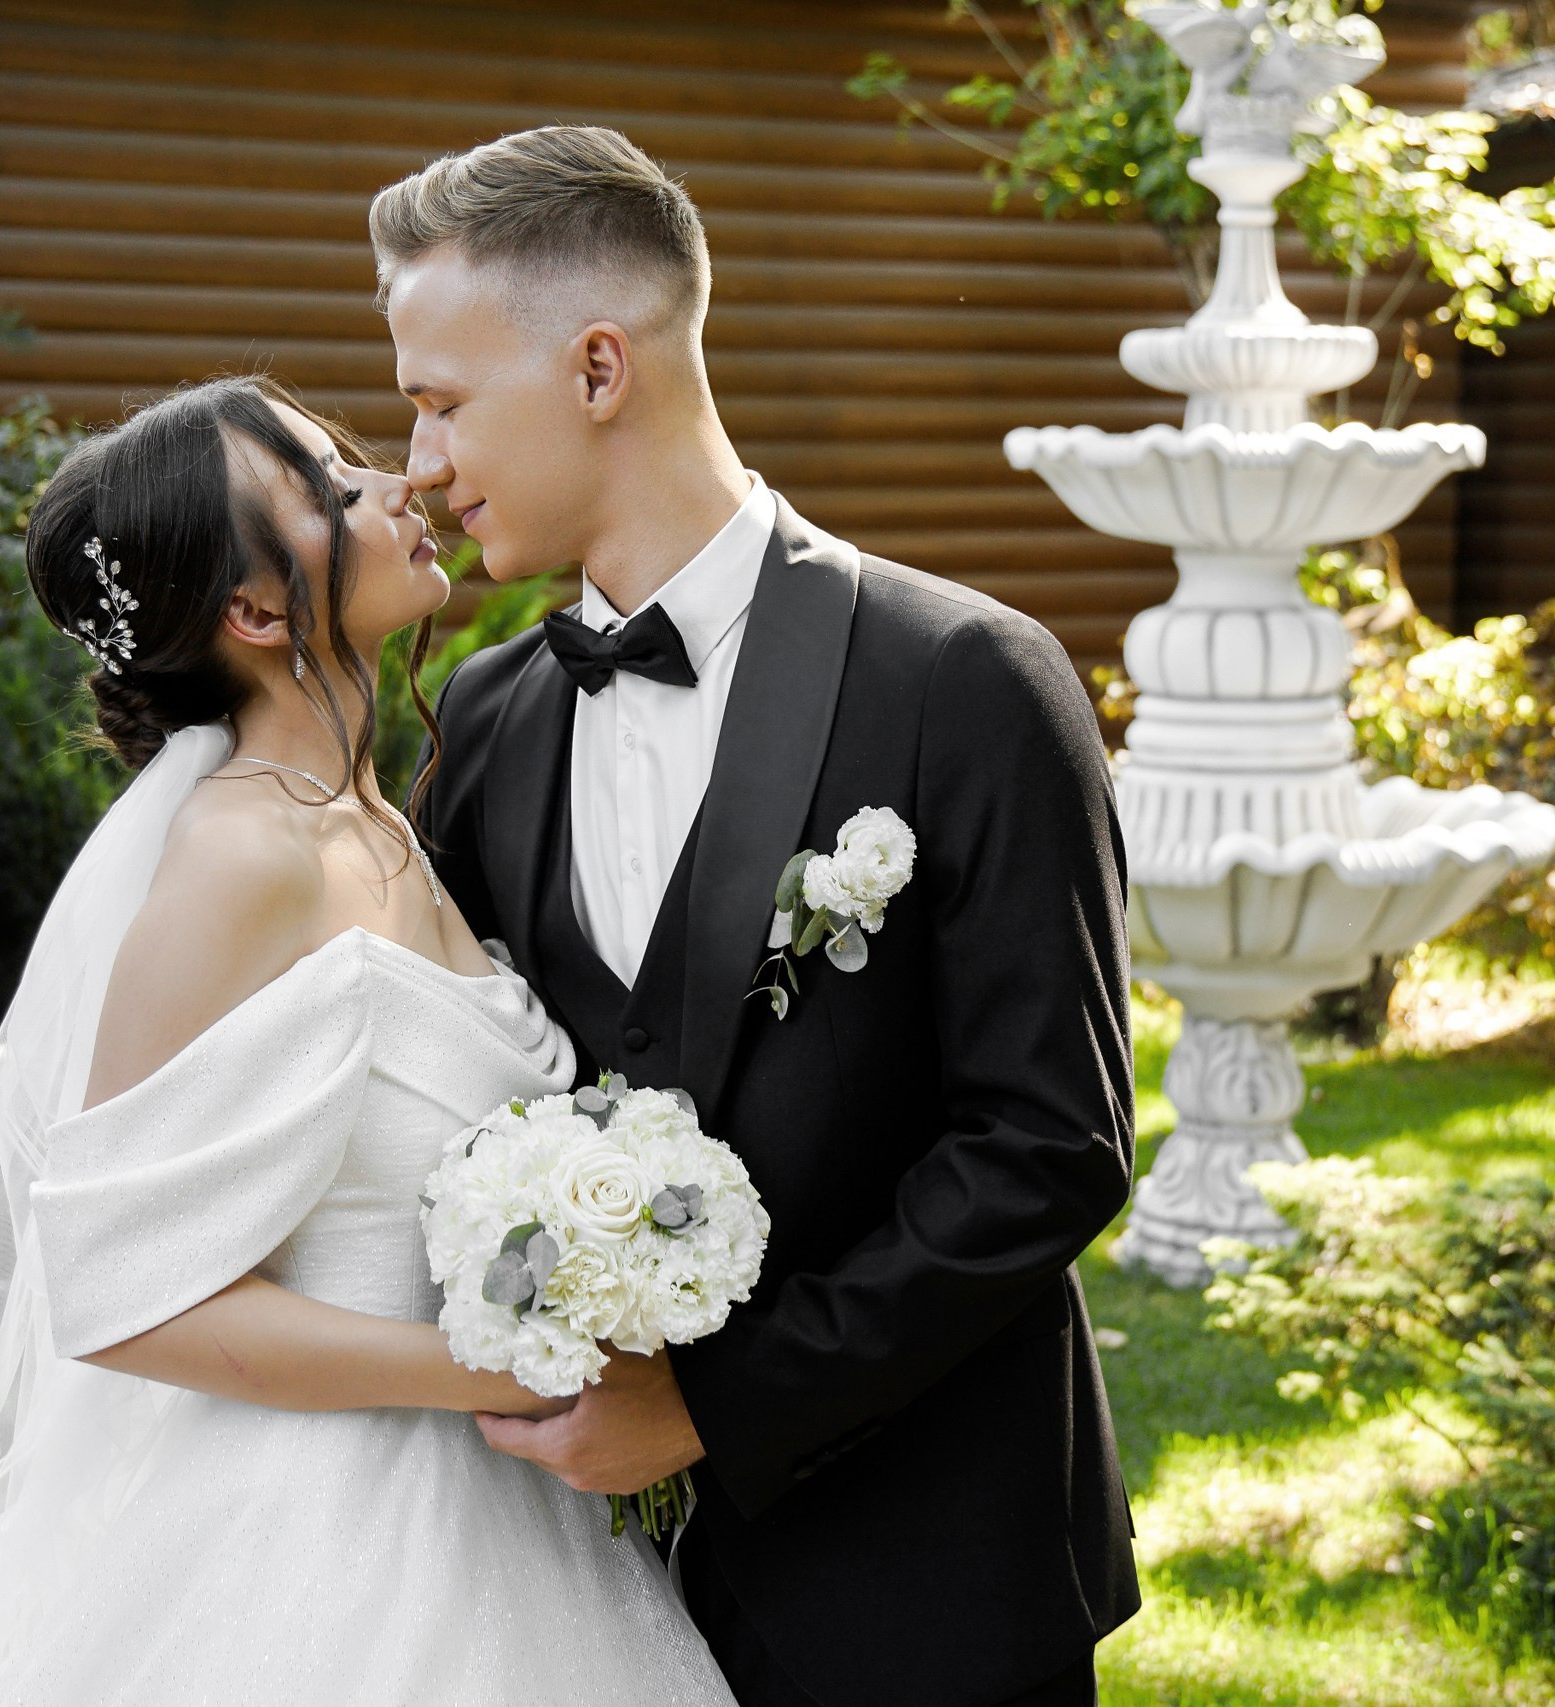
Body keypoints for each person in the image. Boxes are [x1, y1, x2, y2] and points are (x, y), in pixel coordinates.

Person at [380, 127, 1143, 1707]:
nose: (420, 465)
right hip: (568, 1594)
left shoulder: (966, 681)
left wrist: (723, 1405)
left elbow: (1047, 1145)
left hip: (925, 1578)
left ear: (600, 369)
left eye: (443, 402)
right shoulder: (489, 711)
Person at [0, 374, 738, 1705]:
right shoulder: (239, 859)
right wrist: (505, 1362)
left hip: (510, 1512)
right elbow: (124, 1297)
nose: (397, 486)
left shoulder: (371, 821)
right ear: (255, 612)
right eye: (329, 486)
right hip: (331, 1560)